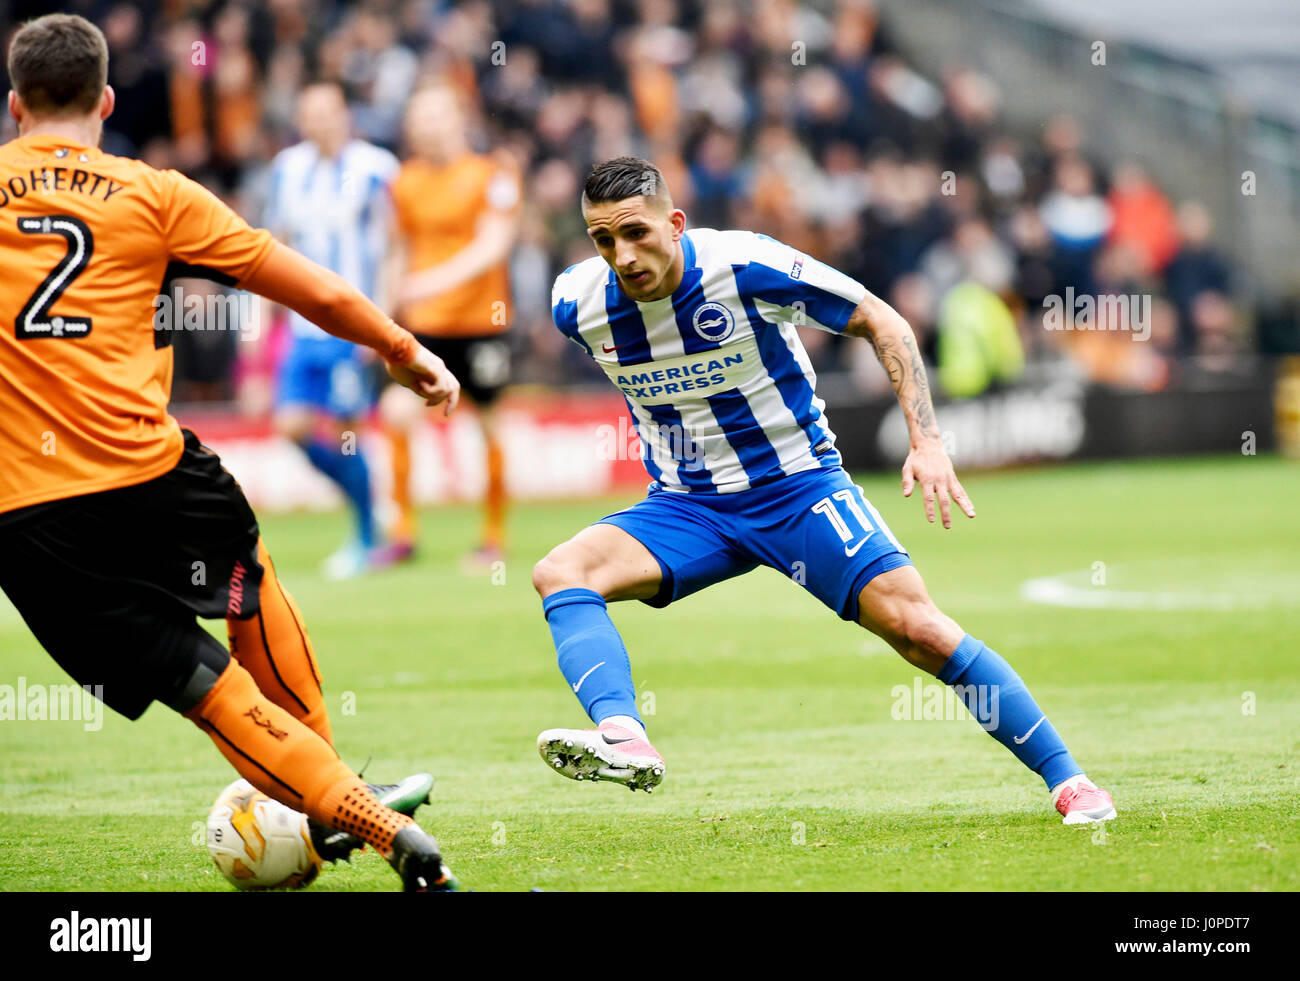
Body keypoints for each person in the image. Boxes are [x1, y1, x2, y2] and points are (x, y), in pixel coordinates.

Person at [0, 14, 461, 889]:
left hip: (29, 517)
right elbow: (311, 288)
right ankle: (348, 795)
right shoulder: (155, 192)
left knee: (208, 690)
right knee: (246, 574)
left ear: (15, 104)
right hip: (154, 477)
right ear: (103, 100)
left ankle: (364, 819)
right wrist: (404, 351)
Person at [533, 157, 1116, 825]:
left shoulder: (744, 266)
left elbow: (883, 320)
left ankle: (1071, 781)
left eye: (635, 233)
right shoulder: (578, 305)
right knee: (560, 571)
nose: (622, 255)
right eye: (603, 240)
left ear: (675, 222)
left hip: (797, 489)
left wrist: (927, 442)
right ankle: (624, 736)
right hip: (687, 506)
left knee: (920, 629)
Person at [381, 83, 520, 568]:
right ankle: (402, 534)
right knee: (396, 412)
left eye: (436, 117)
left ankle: (493, 538)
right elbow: (398, 251)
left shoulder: (492, 175)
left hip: (483, 323)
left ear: (458, 118)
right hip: (426, 327)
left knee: (489, 424)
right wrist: (380, 316)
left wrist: (428, 284)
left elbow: (493, 246)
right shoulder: (403, 182)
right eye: (418, 121)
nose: (427, 128)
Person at [263, 82, 398, 579]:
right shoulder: (287, 169)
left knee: (346, 434)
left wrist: (380, 323)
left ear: (346, 114)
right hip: (303, 328)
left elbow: (393, 245)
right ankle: (370, 507)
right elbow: (274, 247)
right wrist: (262, 322)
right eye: (309, 113)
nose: (319, 121)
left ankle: (364, 535)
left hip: (353, 324)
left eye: (328, 111)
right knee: (290, 426)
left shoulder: (378, 167)